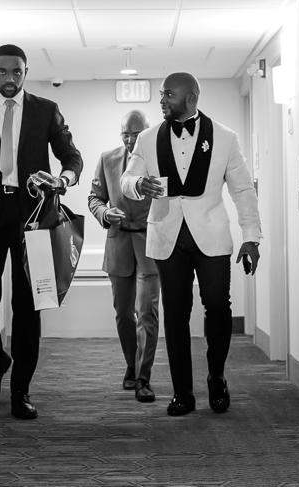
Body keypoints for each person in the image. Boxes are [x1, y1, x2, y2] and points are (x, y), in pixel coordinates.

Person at [0, 44, 82, 420]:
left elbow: (72, 157)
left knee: (27, 307)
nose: (10, 78)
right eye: (3, 71)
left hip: (32, 217)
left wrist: (62, 179)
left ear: (25, 72)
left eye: (17, 72)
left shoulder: (45, 111)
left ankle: (21, 390)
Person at [120, 72, 261, 416]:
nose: (162, 100)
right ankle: (182, 392)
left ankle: (217, 377)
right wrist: (139, 184)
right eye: (161, 94)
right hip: (169, 238)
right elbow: (126, 179)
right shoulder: (149, 138)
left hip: (211, 237)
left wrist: (251, 237)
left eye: (168, 94)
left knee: (218, 306)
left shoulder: (225, 138)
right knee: (176, 314)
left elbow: (242, 189)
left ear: (191, 98)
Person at [88, 110, 161, 403]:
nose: (130, 141)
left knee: (148, 313)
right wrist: (105, 213)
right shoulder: (108, 159)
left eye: (136, 134)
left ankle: (144, 377)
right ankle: (131, 364)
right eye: (125, 135)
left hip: (150, 245)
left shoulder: (159, 160)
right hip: (118, 243)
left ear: (147, 132)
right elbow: (95, 198)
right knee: (123, 314)